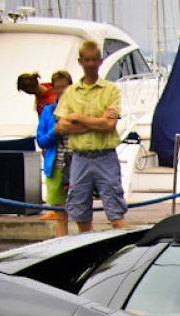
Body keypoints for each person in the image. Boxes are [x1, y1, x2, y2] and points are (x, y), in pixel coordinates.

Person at [54, 41, 126, 232]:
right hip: (79, 159)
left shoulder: (111, 90)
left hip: (105, 157)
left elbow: (110, 125)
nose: (91, 64)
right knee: (80, 215)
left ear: (100, 61)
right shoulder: (70, 92)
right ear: (81, 61)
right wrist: (97, 122)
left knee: (116, 213)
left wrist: (78, 118)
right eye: (87, 60)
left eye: (94, 60)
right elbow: (61, 126)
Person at [36, 70, 73, 237]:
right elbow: (41, 140)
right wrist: (55, 130)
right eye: (58, 87)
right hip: (55, 166)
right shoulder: (48, 112)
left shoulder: (78, 110)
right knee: (59, 214)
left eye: (65, 86)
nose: (62, 90)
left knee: (81, 213)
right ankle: (63, 248)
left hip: (76, 165)